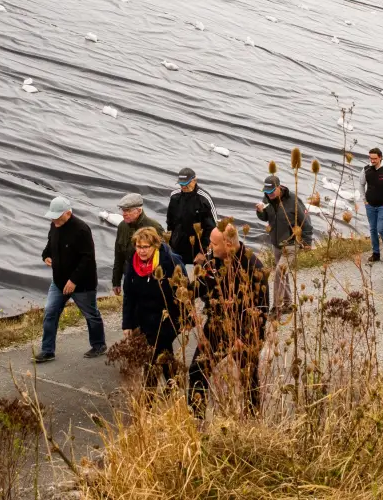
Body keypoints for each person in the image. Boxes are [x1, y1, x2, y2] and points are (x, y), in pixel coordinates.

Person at [188, 222, 270, 413]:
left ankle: (252, 416)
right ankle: (197, 417)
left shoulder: (253, 266)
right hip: (217, 325)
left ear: (229, 245)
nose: (209, 247)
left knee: (248, 376)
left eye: (214, 244)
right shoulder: (211, 260)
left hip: (246, 329)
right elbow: (202, 286)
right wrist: (186, 294)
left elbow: (262, 308)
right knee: (197, 369)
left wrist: (244, 335)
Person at [36, 197, 107, 363]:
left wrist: (73, 281)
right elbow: (49, 246)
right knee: (50, 312)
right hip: (59, 282)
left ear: (68, 213)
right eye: (52, 217)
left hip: (82, 284)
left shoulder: (81, 229)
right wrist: (45, 256)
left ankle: (98, 345)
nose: (54, 220)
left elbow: (87, 259)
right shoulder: (54, 225)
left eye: (57, 217)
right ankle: (47, 351)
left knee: (91, 314)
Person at [120, 226, 185, 385]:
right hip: (144, 318)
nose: (141, 251)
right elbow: (129, 295)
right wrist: (127, 324)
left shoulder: (169, 262)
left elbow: (183, 292)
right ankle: (174, 384)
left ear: (155, 246)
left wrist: (185, 319)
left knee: (154, 355)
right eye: (138, 246)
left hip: (167, 317)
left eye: (145, 247)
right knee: (164, 353)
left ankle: (148, 397)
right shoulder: (133, 263)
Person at [257, 174, 313, 314]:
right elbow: (266, 217)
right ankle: (288, 304)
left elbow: (305, 221)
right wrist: (260, 212)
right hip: (276, 243)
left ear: (278, 187)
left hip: (291, 243)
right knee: (283, 275)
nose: (268, 195)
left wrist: (307, 241)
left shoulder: (293, 200)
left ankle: (276, 307)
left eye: (271, 192)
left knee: (279, 272)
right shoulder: (267, 198)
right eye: (266, 192)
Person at [112, 193, 166, 295]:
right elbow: (118, 256)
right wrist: (116, 281)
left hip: (149, 279)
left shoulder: (154, 227)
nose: (124, 214)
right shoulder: (122, 227)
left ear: (139, 211)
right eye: (123, 210)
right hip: (130, 277)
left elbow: (165, 255)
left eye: (128, 210)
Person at [167, 168, 217, 271]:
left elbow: (212, 228)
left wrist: (203, 252)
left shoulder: (204, 199)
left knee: (200, 281)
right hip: (178, 247)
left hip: (199, 247)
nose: (184, 187)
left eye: (187, 184)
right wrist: (170, 243)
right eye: (181, 184)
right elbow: (170, 222)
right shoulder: (174, 196)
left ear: (195, 180)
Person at [363, 148, 383, 262]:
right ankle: (375, 253)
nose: (372, 161)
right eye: (371, 158)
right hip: (370, 205)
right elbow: (361, 184)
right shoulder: (366, 169)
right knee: (372, 229)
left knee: (381, 228)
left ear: (380, 157)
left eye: (375, 158)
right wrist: (364, 200)